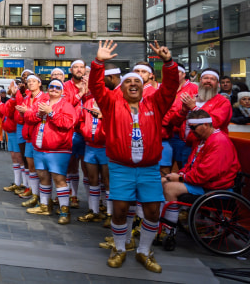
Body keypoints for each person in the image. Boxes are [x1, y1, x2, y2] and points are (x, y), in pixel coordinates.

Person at [90, 39, 178, 273]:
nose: (132, 84)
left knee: (151, 211)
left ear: (144, 86)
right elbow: (97, 87)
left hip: (149, 169)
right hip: (120, 167)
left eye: (136, 81)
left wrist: (167, 62)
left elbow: (170, 88)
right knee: (119, 210)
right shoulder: (111, 103)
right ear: (121, 87)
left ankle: (144, 251)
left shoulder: (155, 103)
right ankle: (119, 248)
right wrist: (99, 62)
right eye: (127, 81)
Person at [160, 109, 241, 237]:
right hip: (205, 183)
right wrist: (180, 175)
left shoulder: (219, 142)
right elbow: (190, 165)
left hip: (216, 187)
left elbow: (206, 174)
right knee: (163, 181)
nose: (191, 131)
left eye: (193, 128)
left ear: (206, 125)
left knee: (170, 188)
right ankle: (163, 223)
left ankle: (169, 231)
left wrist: (181, 178)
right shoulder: (202, 140)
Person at [24, 79, 77, 224]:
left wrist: (51, 113)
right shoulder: (41, 103)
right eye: (52, 87)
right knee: (43, 177)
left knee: (59, 179)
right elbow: (28, 117)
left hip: (58, 150)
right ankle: (44, 205)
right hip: (40, 148)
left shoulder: (66, 105)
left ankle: (65, 211)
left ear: (62, 91)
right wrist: (39, 115)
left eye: (57, 87)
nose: (54, 89)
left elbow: (68, 123)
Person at [14, 75, 45, 206]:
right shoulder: (27, 98)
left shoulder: (44, 98)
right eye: (29, 82)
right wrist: (23, 113)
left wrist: (27, 111)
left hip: (38, 136)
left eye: (33, 81)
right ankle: (34, 194)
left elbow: (39, 116)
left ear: (39, 83)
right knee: (31, 167)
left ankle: (43, 199)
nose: (31, 83)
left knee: (41, 170)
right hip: (28, 137)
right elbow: (24, 119)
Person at [77, 98, 109, 224]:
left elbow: (116, 121)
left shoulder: (109, 101)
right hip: (90, 146)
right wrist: (85, 129)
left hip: (105, 147)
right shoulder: (88, 102)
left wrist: (103, 117)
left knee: (107, 181)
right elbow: (81, 120)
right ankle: (94, 211)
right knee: (92, 179)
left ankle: (109, 213)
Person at [64, 59, 91, 208]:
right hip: (72, 131)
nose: (79, 70)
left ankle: (92, 201)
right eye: (76, 67)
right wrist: (81, 93)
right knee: (72, 165)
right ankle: (73, 196)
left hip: (88, 131)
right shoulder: (66, 86)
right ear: (71, 70)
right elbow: (66, 105)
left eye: (82, 67)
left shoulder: (92, 86)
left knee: (88, 167)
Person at [0, 82, 22, 191]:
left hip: (15, 131)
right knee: (14, 157)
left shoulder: (16, 99)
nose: (9, 88)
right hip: (10, 131)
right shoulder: (11, 99)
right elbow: (2, 114)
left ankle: (25, 184)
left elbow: (7, 111)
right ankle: (17, 182)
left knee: (19, 158)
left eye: (11, 87)